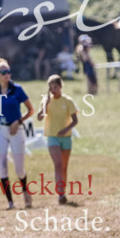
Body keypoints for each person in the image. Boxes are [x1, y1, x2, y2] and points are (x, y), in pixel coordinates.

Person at [0, 57, 35, 210]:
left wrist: (18, 121)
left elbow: (30, 110)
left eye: (8, 71)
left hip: (16, 129)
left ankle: (25, 191)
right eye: (3, 72)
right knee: (2, 165)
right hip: (0, 129)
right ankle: (10, 202)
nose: (7, 74)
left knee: (19, 169)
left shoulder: (17, 89)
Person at [36, 74, 79, 205]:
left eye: (55, 87)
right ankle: (60, 194)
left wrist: (65, 130)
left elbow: (75, 120)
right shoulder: (46, 101)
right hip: (52, 136)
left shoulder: (68, 101)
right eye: (51, 88)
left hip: (65, 137)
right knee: (58, 164)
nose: (53, 90)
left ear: (60, 87)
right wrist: (46, 103)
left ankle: (63, 191)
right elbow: (39, 117)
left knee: (64, 167)